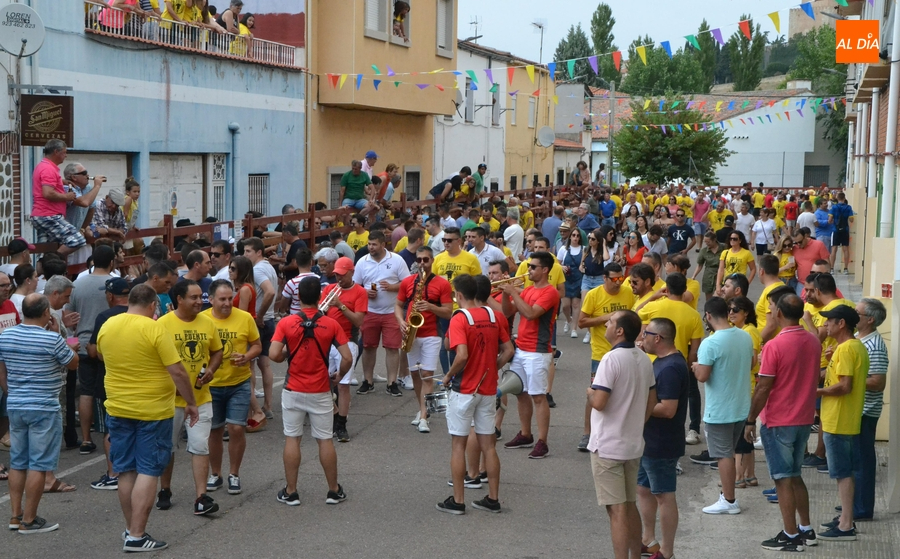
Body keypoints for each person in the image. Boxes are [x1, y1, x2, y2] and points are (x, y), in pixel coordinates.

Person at [98, 284, 198, 552]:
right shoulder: (155, 329)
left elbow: (102, 355)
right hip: (152, 410)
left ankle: (131, 528)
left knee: (125, 470)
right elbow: (177, 371)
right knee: (149, 469)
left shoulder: (108, 325)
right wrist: (190, 402)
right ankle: (137, 535)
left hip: (118, 407)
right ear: (154, 305)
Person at [745, 292, 820, 552]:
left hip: (779, 420)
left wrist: (750, 419)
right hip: (803, 419)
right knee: (795, 475)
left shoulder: (774, 346)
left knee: (782, 479)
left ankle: (790, 535)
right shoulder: (812, 341)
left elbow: (764, 387)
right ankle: (806, 528)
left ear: (778, 313)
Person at [270, 277, 351, 507]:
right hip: (320, 389)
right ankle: (333, 491)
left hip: (293, 388)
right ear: (319, 298)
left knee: (292, 438)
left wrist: (287, 352)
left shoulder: (286, 323)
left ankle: (291, 491)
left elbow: (274, 354)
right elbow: (347, 357)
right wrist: (338, 376)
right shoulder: (331, 324)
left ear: (298, 297)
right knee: (325, 439)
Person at [0, 294, 78, 534]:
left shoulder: (6, 335)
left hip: (16, 403)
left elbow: (2, 370)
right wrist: (58, 336)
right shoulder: (50, 339)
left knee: (18, 462)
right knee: (38, 464)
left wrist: (10, 391)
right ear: (46, 313)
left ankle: (16, 516)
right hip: (44, 405)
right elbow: (73, 362)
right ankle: (30, 520)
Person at [436, 275, 514, 514]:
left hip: (465, 389)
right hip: (488, 388)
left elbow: (461, 355)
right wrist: (493, 366)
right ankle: (493, 498)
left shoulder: (460, 318)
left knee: (458, 445)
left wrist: (448, 375)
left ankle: (458, 500)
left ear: (459, 295)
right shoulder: (494, 315)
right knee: (489, 445)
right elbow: (509, 349)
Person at [587, 310, 656, 559]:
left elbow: (600, 402)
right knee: (628, 505)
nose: (606, 324)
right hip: (632, 443)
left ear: (619, 331)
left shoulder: (611, 359)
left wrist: (589, 392)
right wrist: (637, 421)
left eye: (611, 321)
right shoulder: (643, 358)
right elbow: (652, 398)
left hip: (608, 446)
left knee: (616, 511)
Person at [156, 280, 224, 515]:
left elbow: (217, 351)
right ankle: (164, 489)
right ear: (179, 300)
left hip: (201, 397)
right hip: (170, 400)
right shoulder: (162, 324)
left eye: (200, 297)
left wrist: (212, 370)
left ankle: (201, 497)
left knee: (199, 446)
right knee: (167, 448)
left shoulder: (208, 322)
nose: (200, 301)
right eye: (194, 297)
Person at [693, 297, 753, 515]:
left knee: (723, 455)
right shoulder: (744, 336)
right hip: (741, 406)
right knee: (731, 450)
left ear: (708, 315)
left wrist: (695, 366)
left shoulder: (710, 343)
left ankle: (728, 499)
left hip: (720, 410)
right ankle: (728, 497)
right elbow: (753, 362)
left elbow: (703, 376)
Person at [815, 304, 868, 541]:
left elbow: (845, 386)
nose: (825, 324)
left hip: (838, 420)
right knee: (845, 471)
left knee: (843, 473)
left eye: (829, 320)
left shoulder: (846, 349)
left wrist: (817, 392)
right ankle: (846, 518)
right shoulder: (850, 347)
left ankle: (846, 524)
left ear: (841, 324)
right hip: (843, 419)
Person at [202, 280, 260, 496]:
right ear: (211, 299)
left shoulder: (244, 318)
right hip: (211, 385)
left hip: (239, 383)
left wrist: (246, 357)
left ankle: (234, 473)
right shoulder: (202, 319)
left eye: (230, 298)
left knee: (236, 428)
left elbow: (257, 345)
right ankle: (215, 473)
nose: (227, 303)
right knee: (215, 430)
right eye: (222, 299)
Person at [637, 317, 689, 559]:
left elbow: (667, 409)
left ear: (657, 338)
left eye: (645, 334)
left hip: (662, 442)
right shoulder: (661, 362)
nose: (642, 338)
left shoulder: (670, 367)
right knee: (643, 490)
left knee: (663, 495)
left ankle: (667, 551)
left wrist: (637, 404)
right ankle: (648, 539)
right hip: (649, 440)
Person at [500, 251, 560, 459]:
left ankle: (543, 442)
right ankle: (526, 434)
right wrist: (507, 294)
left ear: (545, 270)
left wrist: (514, 292)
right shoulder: (527, 290)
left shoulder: (550, 292)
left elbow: (531, 313)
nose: (528, 270)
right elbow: (508, 312)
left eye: (533, 267)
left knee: (538, 396)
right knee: (520, 393)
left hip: (537, 351)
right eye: (528, 266)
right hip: (522, 349)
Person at [67, 245, 118, 456]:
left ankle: (86, 439)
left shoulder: (77, 284)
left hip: (84, 342)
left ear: (92, 260)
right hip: (109, 345)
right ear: (112, 261)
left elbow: (69, 315)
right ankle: (111, 434)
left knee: (86, 392)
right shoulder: (114, 284)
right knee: (111, 390)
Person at [395, 247, 453, 433]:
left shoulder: (442, 284)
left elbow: (448, 311)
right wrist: (401, 321)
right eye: (419, 260)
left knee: (427, 374)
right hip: (412, 332)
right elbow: (398, 305)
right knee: (415, 375)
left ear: (432, 260)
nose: (422, 263)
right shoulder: (408, 282)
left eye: (425, 260)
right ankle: (422, 409)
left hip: (431, 333)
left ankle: (423, 416)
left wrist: (430, 307)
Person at [576, 263, 633, 451]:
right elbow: (581, 322)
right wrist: (604, 318)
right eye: (614, 279)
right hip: (601, 353)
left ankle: (615, 432)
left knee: (622, 393)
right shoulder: (594, 295)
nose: (619, 283)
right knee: (595, 393)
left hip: (625, 352)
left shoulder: (628, 292)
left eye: (621, 278)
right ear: (605, 278)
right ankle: (587, 433)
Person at [353, 230, 411, 395]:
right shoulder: (362, 262)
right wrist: (365, 292)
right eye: (369, 244)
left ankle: (392, 382)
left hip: (391, 311)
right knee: (368, 346)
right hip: (369, 311)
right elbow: (355, 286)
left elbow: (407, 283)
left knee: (392, 348)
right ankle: (367, 380)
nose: (370, 247)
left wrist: (392, 287)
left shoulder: (397, 260)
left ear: (383, 244)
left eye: (374, 244)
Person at [318, 257, 367, 441]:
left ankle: (341, 424)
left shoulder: (360, 292)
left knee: (343, 385)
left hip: (347, 341)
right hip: (327, 340)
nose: (339, 278)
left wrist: (340, 305)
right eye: (337, 274)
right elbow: (319, 312)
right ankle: (333, 416)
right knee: (324, 383)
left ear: (351, 272)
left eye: (342, 274)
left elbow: (359, 321)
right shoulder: (329, 289)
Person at [853, 298, 888, 521]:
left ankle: (863, 508)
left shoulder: (874, 345)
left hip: (866, 411)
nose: (854, 315)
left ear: (870, 319)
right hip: (856, 409)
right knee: (854, 460)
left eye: (858, 313)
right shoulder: (859, 339)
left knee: (863, 461)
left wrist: (849, 379)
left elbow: (877, 382)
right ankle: (853, 502)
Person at [30, 140, 87, 256]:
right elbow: (48, 193)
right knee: (77, 240)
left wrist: (62, 181)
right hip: (48, 215)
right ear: (56, 152)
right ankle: (53, 262)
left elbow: (45, 183)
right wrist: (67, 196)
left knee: (46, 250)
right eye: (64, 152)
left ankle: (42, 269)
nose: (66, 156)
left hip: (42, 215)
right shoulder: (48, 169)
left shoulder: (43, 166)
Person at [243, 237, 277, 419]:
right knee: (265, 363)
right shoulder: (269, 266)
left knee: (251, 365)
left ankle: (252, 408)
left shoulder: (256, 270)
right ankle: (268, 405)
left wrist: (260, 314)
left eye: (248, 251)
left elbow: (270, 291)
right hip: (269, 319)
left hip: (260, 320)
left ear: (258, 252)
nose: (244, 255)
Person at [558, 227, 584, 338]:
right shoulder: (564, 249)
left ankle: (574, 328)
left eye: (577, 236)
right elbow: (557, 263)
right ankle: (569, 320)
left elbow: (584, 263)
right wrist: (561, 267)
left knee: (576, 304)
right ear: (570, 237)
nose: (575, 238)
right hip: (565, 279)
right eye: (573, 235)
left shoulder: (584, 249)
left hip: (578, 279)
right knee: (565, 306)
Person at [754, 254, 784, 334]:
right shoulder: (781, 285)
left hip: (768, 341)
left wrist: (759, 343)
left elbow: (772, 325)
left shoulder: (771, 292)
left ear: (761, 271)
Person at [691, 231, 723, 303]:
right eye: (705, 242)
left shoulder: (724, 248)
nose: (706, 244)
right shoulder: (704, 251)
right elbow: (700, 265)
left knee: (720, 295)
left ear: (714, 240)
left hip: (721, 273)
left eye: (708, 242)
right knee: (708, 296)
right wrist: (694, 276)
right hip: (708, 274)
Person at [829, 192, 854, 273]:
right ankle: (846, 268)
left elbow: (830, 220)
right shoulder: (848, 207)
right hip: (845, 230)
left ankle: (832, 268)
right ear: (844, 198)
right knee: (845, 249)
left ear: (837, 198)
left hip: (835, 230)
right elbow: (851, 219)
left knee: (834, 249)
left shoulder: (834, 207)